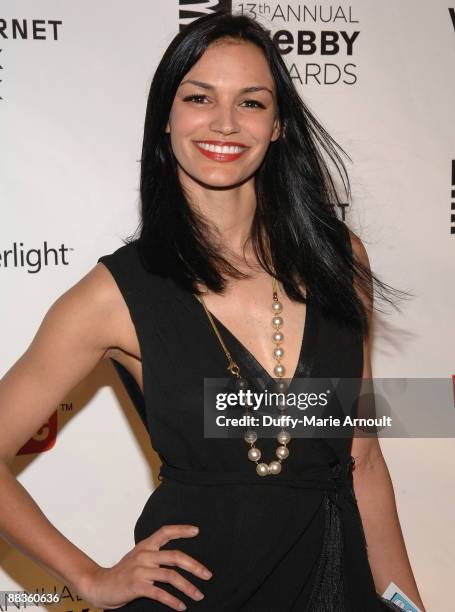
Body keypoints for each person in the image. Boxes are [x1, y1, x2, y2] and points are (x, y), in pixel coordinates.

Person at [0, 10, 426, 612]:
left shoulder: (340, 259)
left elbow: (363, 459)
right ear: (166, 119)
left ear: (278, 125)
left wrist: (406, 604)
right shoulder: (116, 294)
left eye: (252, 102)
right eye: (199, 97)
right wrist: (90, 578)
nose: (225, 122)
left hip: (334, 586)